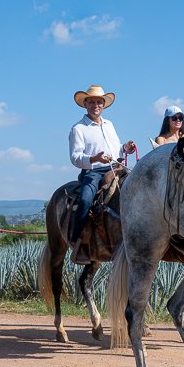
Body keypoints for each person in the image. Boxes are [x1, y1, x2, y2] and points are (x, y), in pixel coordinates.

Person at [68, 85, 136, 257]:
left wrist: (125, 148)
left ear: (103, 105)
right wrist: (94, 159)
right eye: (91, 102)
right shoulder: (78, 129)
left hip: (116, 168)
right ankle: (76, 240)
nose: (96, 105)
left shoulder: (109, 125)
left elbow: (115, 150)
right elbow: (75, 157)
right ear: (85, 104)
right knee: (85, 199)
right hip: (93, 172)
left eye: (99, 102)